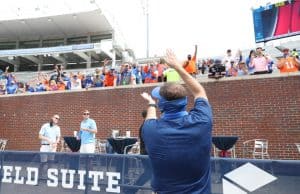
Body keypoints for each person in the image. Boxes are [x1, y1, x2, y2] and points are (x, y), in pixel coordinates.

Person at [140, 49, 213, 194]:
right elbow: (199, 92)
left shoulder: (150, 130)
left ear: (161, 105)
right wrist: (178, 67)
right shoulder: (202, 122)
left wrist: (150, 102)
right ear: (185, 101)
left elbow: (151, 116)